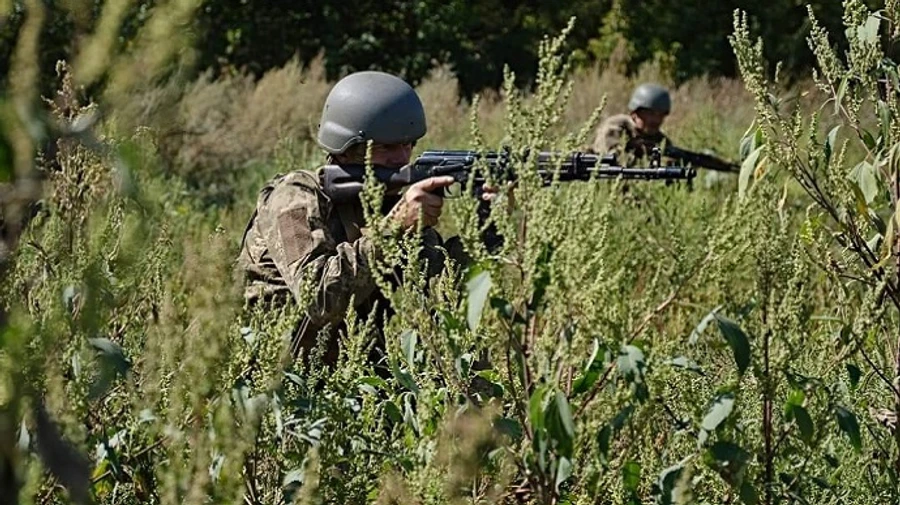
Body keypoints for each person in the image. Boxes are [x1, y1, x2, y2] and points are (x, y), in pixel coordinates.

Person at [238, 71, 496, 364]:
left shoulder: (388, 200)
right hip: (276, 378)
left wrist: (487, 224)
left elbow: (444, 290)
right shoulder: (294, 196)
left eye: (408, 144)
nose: (402, 158)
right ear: (347, 149)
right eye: (386, 147)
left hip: (353, 373)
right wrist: (394, 228)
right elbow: (319, 300)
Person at [591, 83, 672, 163]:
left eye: (661, 115)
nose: (656, 120)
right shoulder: (615, 126)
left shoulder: (661, 140)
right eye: (651, 114)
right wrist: (646, 161)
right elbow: (613, 156)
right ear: (635, 113)